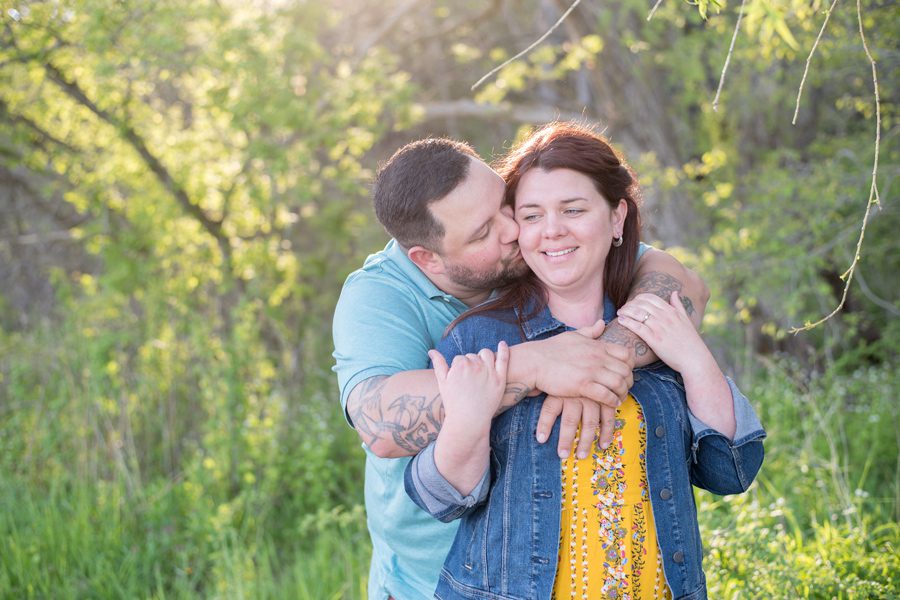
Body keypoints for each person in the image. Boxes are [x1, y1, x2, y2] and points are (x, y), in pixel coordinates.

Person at [332, 135, 710, 599]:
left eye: (505, 206)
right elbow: (380, 424)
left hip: (558, 568)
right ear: (427, 258)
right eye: (482, 233)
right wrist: (533, 366)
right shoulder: (378, 296)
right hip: (427, 576)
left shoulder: (538, 248)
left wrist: (592, 369)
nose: (513, 230)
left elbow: (681, 286)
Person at [404, 122, 766, 599]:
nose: (552, 230)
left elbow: (731, 470)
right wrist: (468, 418)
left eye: (573, 209)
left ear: (617, 219)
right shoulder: (479, 339)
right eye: (531, 215)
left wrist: (692, 355)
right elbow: (441, 498)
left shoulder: (654, 326)